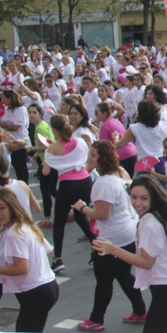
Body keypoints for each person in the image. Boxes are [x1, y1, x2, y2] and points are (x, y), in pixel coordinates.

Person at [92, 176, 167, 333]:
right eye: (134, 197)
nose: (137, 203)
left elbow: (146, 262)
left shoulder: (149, 222)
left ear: (154, 197)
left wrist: (113, 250)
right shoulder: (160, 214)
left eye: (144, 198)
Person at [72, 141, 147, 331]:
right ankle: (140, 311)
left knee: (104, 279)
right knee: (123, 275)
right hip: (128, 233)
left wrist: (82, 208)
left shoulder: (102, 183)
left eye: (93, 156)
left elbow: (101, 214)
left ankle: (96, 319)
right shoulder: (119, 173)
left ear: (102, 159)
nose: (90, 159)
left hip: (111, 237)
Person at [0, 188, 59, 333]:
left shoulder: (13, 233)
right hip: (48, 286)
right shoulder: (27, 226)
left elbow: (22, 268)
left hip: (37, 292)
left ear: (12, 207)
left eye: (2, 208)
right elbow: (48, 250)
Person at [43, 114, 94, 273]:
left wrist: (50, 152)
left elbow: (45, 172)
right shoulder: (80, 142)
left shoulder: (52, 148)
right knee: (80, 215)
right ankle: (97, 247)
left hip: (68, 184)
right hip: (85, 181)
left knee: (59, 220)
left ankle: (58, 259)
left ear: (54, 130)